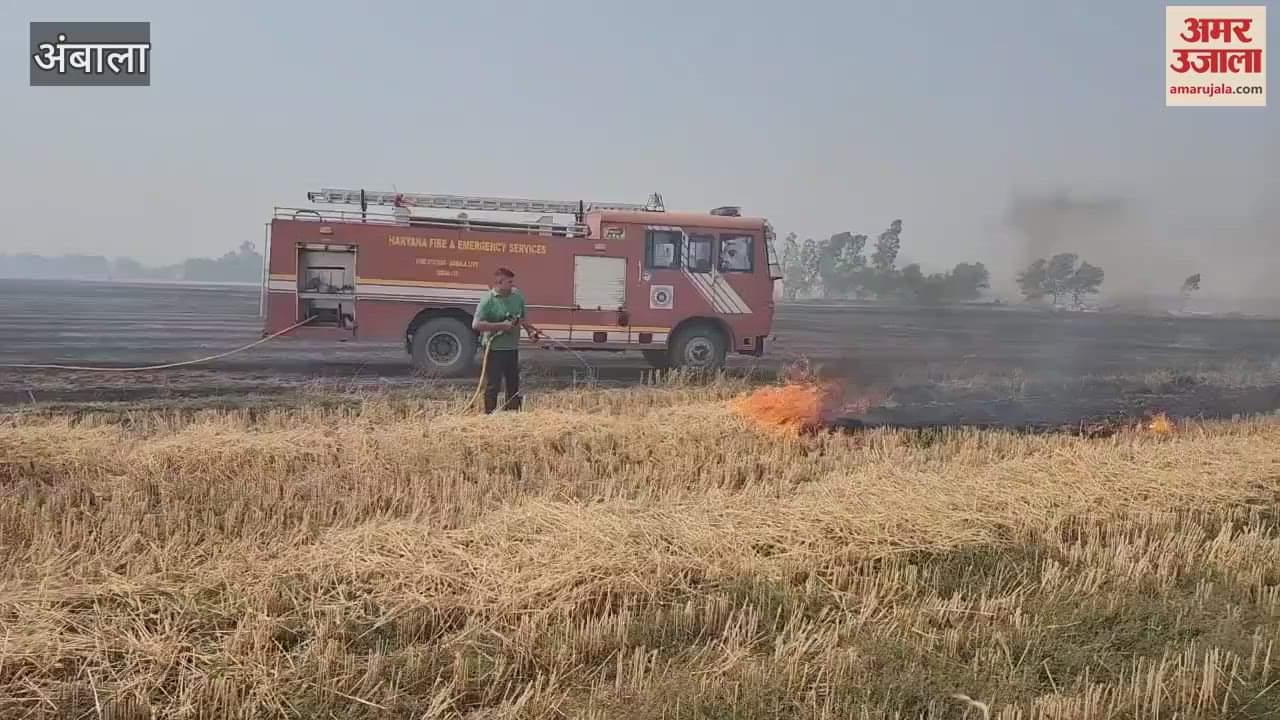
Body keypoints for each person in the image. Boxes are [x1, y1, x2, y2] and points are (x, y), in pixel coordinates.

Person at [472, 267, 542, 413]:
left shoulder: (517, 296)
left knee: (513, 384)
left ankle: (511, 415)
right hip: (494, 349)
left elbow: (522, 318)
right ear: (499, 282)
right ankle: (489, 415)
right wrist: (501, 326)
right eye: (509, 282)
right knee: (493, 385)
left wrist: (531, 332)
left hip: (511, 348)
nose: (512, 285)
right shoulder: (488, 300)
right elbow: (476, 324)